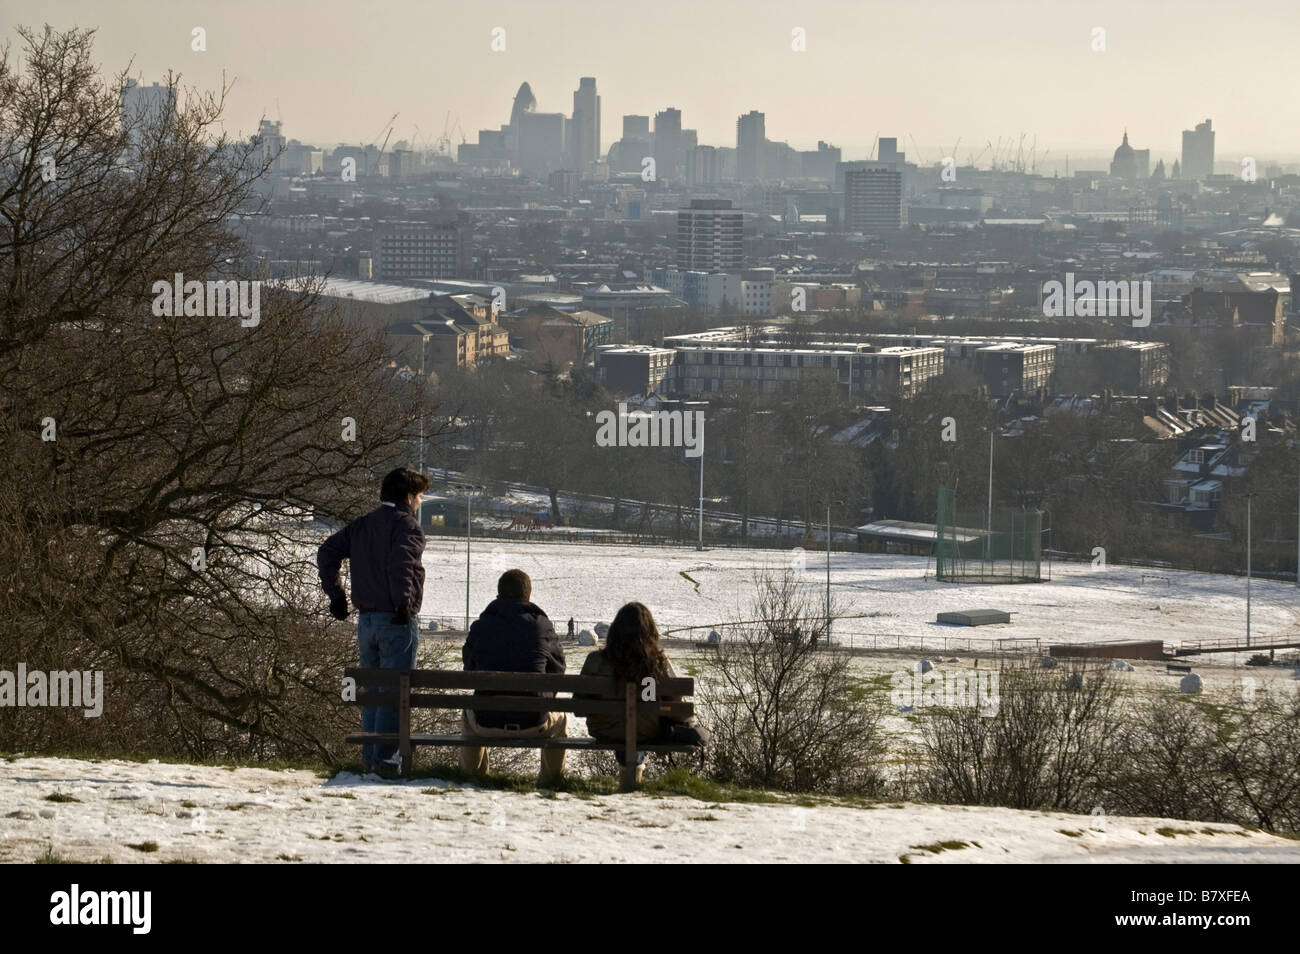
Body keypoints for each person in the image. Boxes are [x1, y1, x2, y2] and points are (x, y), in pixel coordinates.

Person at [317, 466, 429, 775]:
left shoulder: (362, 525)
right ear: (408, 497)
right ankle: (385, 759)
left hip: (365, 621)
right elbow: (402, 565)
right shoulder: (407, 527)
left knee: (374, 692)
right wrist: (403, 604)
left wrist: (336, 595)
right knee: (395, 692)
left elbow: (327, 552)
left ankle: (370, 759)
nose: (420, 502)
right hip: (396, 619)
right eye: (419, 496)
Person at [579, 601, 707, 784]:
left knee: (629, 726)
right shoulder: (657, 663)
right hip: (647, 731)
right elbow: (678, 710)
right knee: (638, 724)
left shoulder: (595, 660)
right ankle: (632, 782)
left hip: (604, 729)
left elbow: (580, 707)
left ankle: (628, 781)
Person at [460, 569, 567, 786]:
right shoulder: (541, 626)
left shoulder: (481, 627)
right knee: (561, 719)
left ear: (499, 594)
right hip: (534, 722)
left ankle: (472, 777)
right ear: (527, 595)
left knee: (469, 714)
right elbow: (558, 670)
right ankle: (550, 780)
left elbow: (468, 669)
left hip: (486, 722)